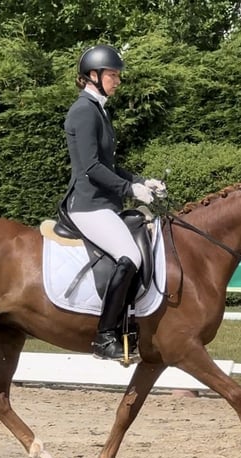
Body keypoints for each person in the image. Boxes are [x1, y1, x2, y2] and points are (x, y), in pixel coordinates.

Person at [61, 44, 166, 360]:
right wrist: (129, 190)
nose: (117, 80)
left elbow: (108, 164)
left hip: (103, 203)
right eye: (112, 75)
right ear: (92, 76)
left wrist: (138, 181)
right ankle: (104, 338)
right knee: (130, 255)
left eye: (118, 75)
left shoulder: (100, 110)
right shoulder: (82, 111)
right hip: (87, 204)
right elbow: (91, 168)